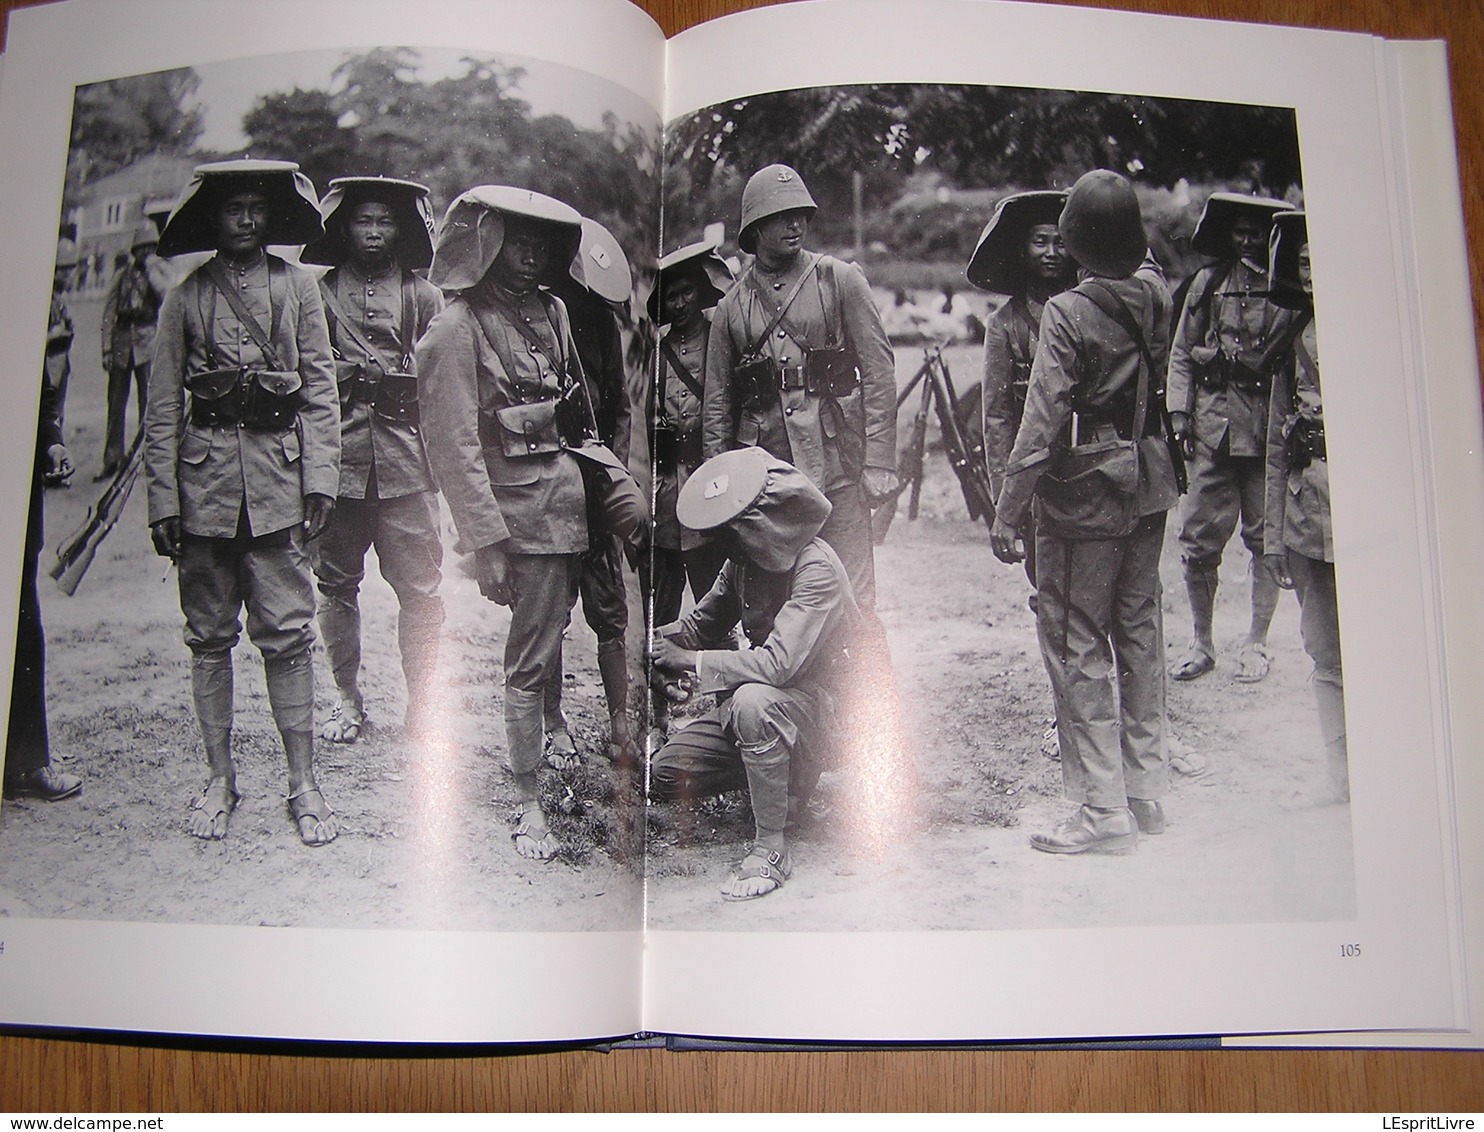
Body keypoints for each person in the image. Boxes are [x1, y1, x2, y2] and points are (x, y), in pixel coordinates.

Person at [417, 186, 644, 860]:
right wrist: (486, 541)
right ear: (486, 245)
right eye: (518, 242)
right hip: (522, 519)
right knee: (530, 657)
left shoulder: (552, 312)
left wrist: (610, 489)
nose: (531, 256)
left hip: (573, 503)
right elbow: (454, 448)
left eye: (541, 244)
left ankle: (557, 737)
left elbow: (581, 416)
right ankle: (528, 805)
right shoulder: (455, 329)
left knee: (569, 633)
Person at [143, 159, 340, 846]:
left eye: (258, 208)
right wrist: (162, 498)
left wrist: (320, 480)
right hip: (204, 493)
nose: (248, 220)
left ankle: (304, 783)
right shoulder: (185, 297)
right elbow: (163, 406)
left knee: (288, 635)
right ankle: (218, 778)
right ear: (213, 220)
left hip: (279, 489)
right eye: (234, 210)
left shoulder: (300, 291)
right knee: (208, 638)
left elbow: (320, 391)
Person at [990, 169, 1180, 854]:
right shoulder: (1157, 292)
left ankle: (1101, 812)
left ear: (1074, 241)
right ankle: (1146, 792)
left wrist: (1008, 510)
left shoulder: (1067, 313)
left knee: (1076, 643)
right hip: (1150, 483)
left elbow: (1039, 423)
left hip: (1087, 494)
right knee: (1139, 634)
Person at [649, 447, 863, 900]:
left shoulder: (815, 569)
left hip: (833, 716)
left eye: (730, 531)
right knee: (667, 774)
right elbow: (696, 627)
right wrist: (652, 646)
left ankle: (771, 847)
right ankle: (783, 781)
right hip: (779, 707)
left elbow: (778, 664)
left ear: (758, 526)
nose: (719, 542)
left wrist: (691, 663)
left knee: (751, 702)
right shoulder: (743, 565)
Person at [701, 163, 897, 609]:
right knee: (771, 605)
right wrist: (720, 492)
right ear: (755, 225)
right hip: (765, 477)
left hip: (837, 465)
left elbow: (880, 372)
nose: (795, 224)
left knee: (855, 600)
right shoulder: (731, 309)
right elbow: (717, 405)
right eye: (781, 215)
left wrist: (881, 459)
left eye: (801, 214)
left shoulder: (840, 280)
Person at [299, 176, 444, 741]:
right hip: (338, 463)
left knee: (421, 591)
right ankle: (346, 699)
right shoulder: (318, 293)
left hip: (407, 464)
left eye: (386, 221)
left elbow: (440, 387)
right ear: (343, 226)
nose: (376, 232)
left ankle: (423, 705)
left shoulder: (423, 297)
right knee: (335, 585)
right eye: (364, 220)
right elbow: (303, 377)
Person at [1166, 192, 1294, 684]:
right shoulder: (1208, 282)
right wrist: (1179, 413)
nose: (1246, 241)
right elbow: (1181, 353)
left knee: (1266, 540)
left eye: (1255, 233)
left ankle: (1257, 643)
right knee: (1197, 539)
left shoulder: (1286, 290)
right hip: (1212, 430)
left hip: (1265, 434)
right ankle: (1201, 642)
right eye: (1239, 232)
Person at [1262, 210, 1348, 804]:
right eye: (1304, 264)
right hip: (1307, 515)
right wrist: (1272, 538)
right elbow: (1274, 446)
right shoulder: (1289, 344)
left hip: (1367, 518)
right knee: (1325, 650)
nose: (1314, 274)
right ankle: (1342, 774)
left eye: (1324, 260)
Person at [544, 218, 637, 767]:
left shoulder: (603, 323)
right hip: (550, 487)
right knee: (550, 610)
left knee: (610, 610)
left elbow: (621, 406)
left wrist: (612, 470)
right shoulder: (536, 316)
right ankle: (553, 722)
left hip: (595, 480)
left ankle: (620, 721)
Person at [642, 239, 735, 754]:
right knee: (659, 611)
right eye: (668, 295)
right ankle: (657, 718)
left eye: (685, 292)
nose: (677, 303)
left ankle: (728, 715)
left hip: (707, 491)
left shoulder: (721, 338)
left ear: (700, 293)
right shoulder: (655, 354)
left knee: (715, 608)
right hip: (664, 498)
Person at [2, 239, 83, 802]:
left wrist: (51, 441)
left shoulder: (32, 298)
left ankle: (27, 762)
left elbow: (43, 389)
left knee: (19, 612)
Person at [968, 189, 1076, 595]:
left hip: (1084, 461)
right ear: (1022, 250)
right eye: (1040, 241)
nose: (1051, 252)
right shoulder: (1004, 324)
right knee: (1044, 579)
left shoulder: (1085, 312)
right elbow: (995, 416)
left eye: (1060, 241)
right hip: (1032, 469)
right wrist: (1005, 495)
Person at [97, 220, 168, 481]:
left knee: (148, 404)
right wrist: (106, 349)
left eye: (150, 248)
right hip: (121, 343)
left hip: (147, 342)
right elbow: (108, 313)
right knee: (115, 403)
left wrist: (152, 272)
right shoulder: (121, 275)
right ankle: (112, 458)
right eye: (141, 248)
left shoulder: (159, 272)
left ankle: (148, 457)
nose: (145, 253)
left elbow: (165, 296)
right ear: (133, 250)